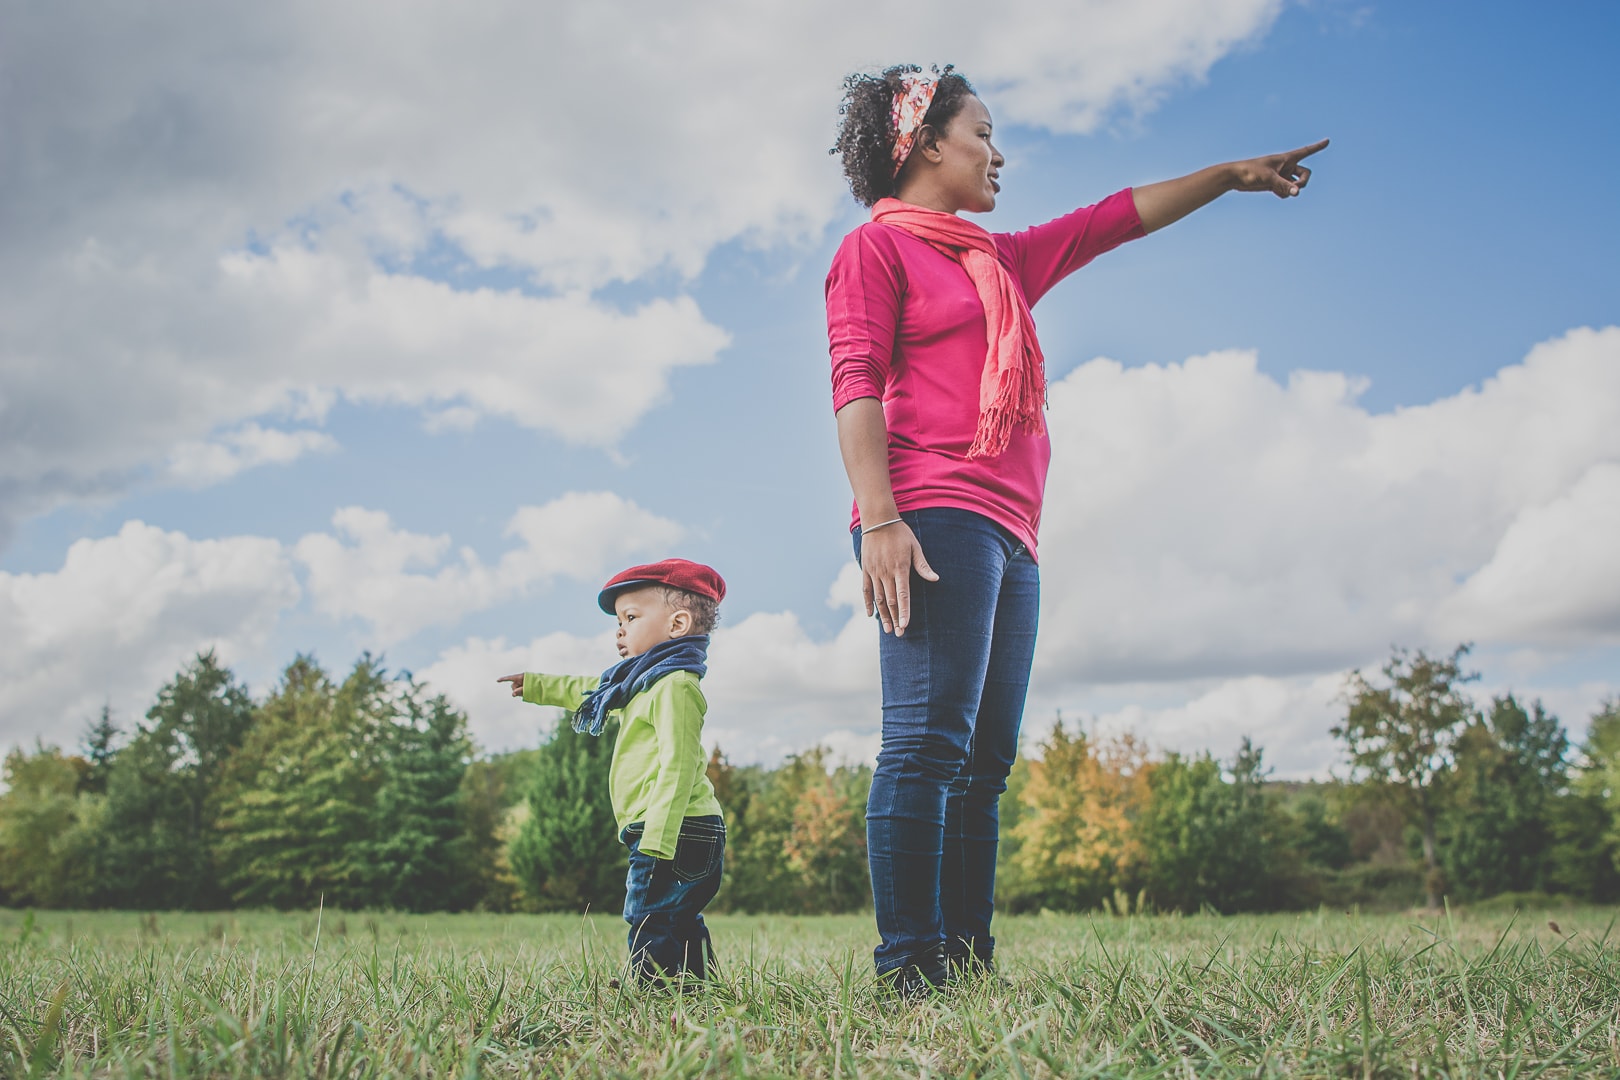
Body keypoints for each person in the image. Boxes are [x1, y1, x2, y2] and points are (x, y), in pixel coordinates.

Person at [826, 63, 1326, 994]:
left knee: (984, 763)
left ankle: (966, 969)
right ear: (928, 142)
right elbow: (854, 387)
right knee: (927, 747)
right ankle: (909, 973)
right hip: (930, 511)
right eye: (982, 132)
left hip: (1013, 532)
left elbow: (1113, 219)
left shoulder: (1001, 262)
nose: (997, 150)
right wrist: (882, 520)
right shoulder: (876, 251)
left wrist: (1227, 175)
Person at [498, 558, 728, 987]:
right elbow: (591, 688)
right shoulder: (641, 682)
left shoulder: (675, 685)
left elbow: (678, 767)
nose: (619, 629)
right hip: (677, 827)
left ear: (677, 624)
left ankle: (652, 989)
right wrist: (537, 685)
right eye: (619, 620)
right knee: (676, 916)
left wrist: (658, 837)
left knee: (647, 912)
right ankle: (697, 989)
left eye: (631, 617)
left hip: (676, 829)